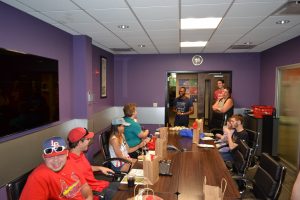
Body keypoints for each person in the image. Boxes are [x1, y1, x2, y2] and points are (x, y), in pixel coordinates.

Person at [20, 136, 93, 200]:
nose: (56, 160)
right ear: (44, 157)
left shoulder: (71, 162)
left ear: (67, 154)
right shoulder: (38, 177)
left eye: (60, 155)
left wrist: (89, 197)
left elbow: (84, 185)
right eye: (50, 157)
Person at [67, 127, 119, 200]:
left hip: (100, 185)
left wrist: (100, 168)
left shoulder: (80, 154)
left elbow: (84, 168)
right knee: (122, 195)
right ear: (79, 142)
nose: (90, 141)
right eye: (87, 139)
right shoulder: (69, 163)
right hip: (96, 193)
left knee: (124, 186)